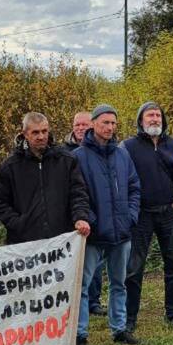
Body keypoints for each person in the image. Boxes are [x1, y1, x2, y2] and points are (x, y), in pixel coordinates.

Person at [74, 104, 142, 345]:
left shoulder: (122, 154)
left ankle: (119, 329)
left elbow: (134, 186)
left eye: (113, 123)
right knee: (81, 286)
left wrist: (130, 215)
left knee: (118, 283)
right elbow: (76, 193)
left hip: (121, 232)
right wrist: (90, 220)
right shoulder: (78, 157)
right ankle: (80, 334)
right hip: (92, 234)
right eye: (105, 122)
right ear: (93, 124)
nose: (110, 127)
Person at [122, 102, 173, 330]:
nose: (155, 119)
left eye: (158, 115)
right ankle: (129, 318)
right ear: (140, 120)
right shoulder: (127, 147)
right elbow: (120, 179)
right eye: (150, 115)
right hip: (140, 215)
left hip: (168, 212)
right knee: (134, 267)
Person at [0, 112, 91, 244]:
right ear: (25, 134)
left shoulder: (66, 160)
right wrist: (19, 223)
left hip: (61, 241)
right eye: (35, 132)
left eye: (44, 131)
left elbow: (78, 193)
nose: (41, 137)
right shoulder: (9, 167)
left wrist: (80, 217)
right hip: (25, 244)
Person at [67, 111, 105, 316]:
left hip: (97, 214)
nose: (80, 128)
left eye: (84, 125)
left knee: (96, 264)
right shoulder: (65, 152)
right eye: (76, 125)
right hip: (74, 216)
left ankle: (94, 301)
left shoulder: (100, 150)